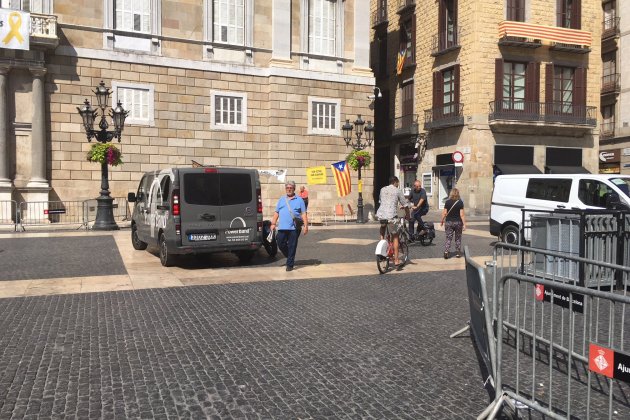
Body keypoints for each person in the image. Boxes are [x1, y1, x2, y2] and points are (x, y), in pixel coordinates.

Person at [270, 180, 308, 271]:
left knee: (292, 245)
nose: (289, 189)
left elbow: (303, 213)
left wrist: (306, 226)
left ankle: (290, 264)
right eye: (287, 188)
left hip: (294, 228)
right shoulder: (281, 199)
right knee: (280, 242)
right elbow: (276, 212)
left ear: (294, 189)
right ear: (285, 189)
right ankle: (289, 255)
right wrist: (273, 223)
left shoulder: (299, 200)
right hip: (282, 227)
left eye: (291, 188)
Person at [376, 176, 410, 266]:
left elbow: (380, 201)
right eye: (398, 183)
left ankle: (382, 241)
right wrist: (408, 215)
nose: (398, 184)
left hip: (381, 215)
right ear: (395, 182)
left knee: (383, 226)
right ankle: (396, 260)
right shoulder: (397, 190)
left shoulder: (382, 189)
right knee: (395, 236)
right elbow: (405, 205)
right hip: (391, 216)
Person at [440, 187, 466, 259]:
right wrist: (464, 224)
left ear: (451, 194)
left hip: (448, 222)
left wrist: (442, 221)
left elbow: (444, 213)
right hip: (458, 222)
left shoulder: (447, 202)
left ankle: (446, 251)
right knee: (458, 237)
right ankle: (458, 252)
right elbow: (462, 215)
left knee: (448, 237)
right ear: (458, 194)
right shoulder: (460, 202)